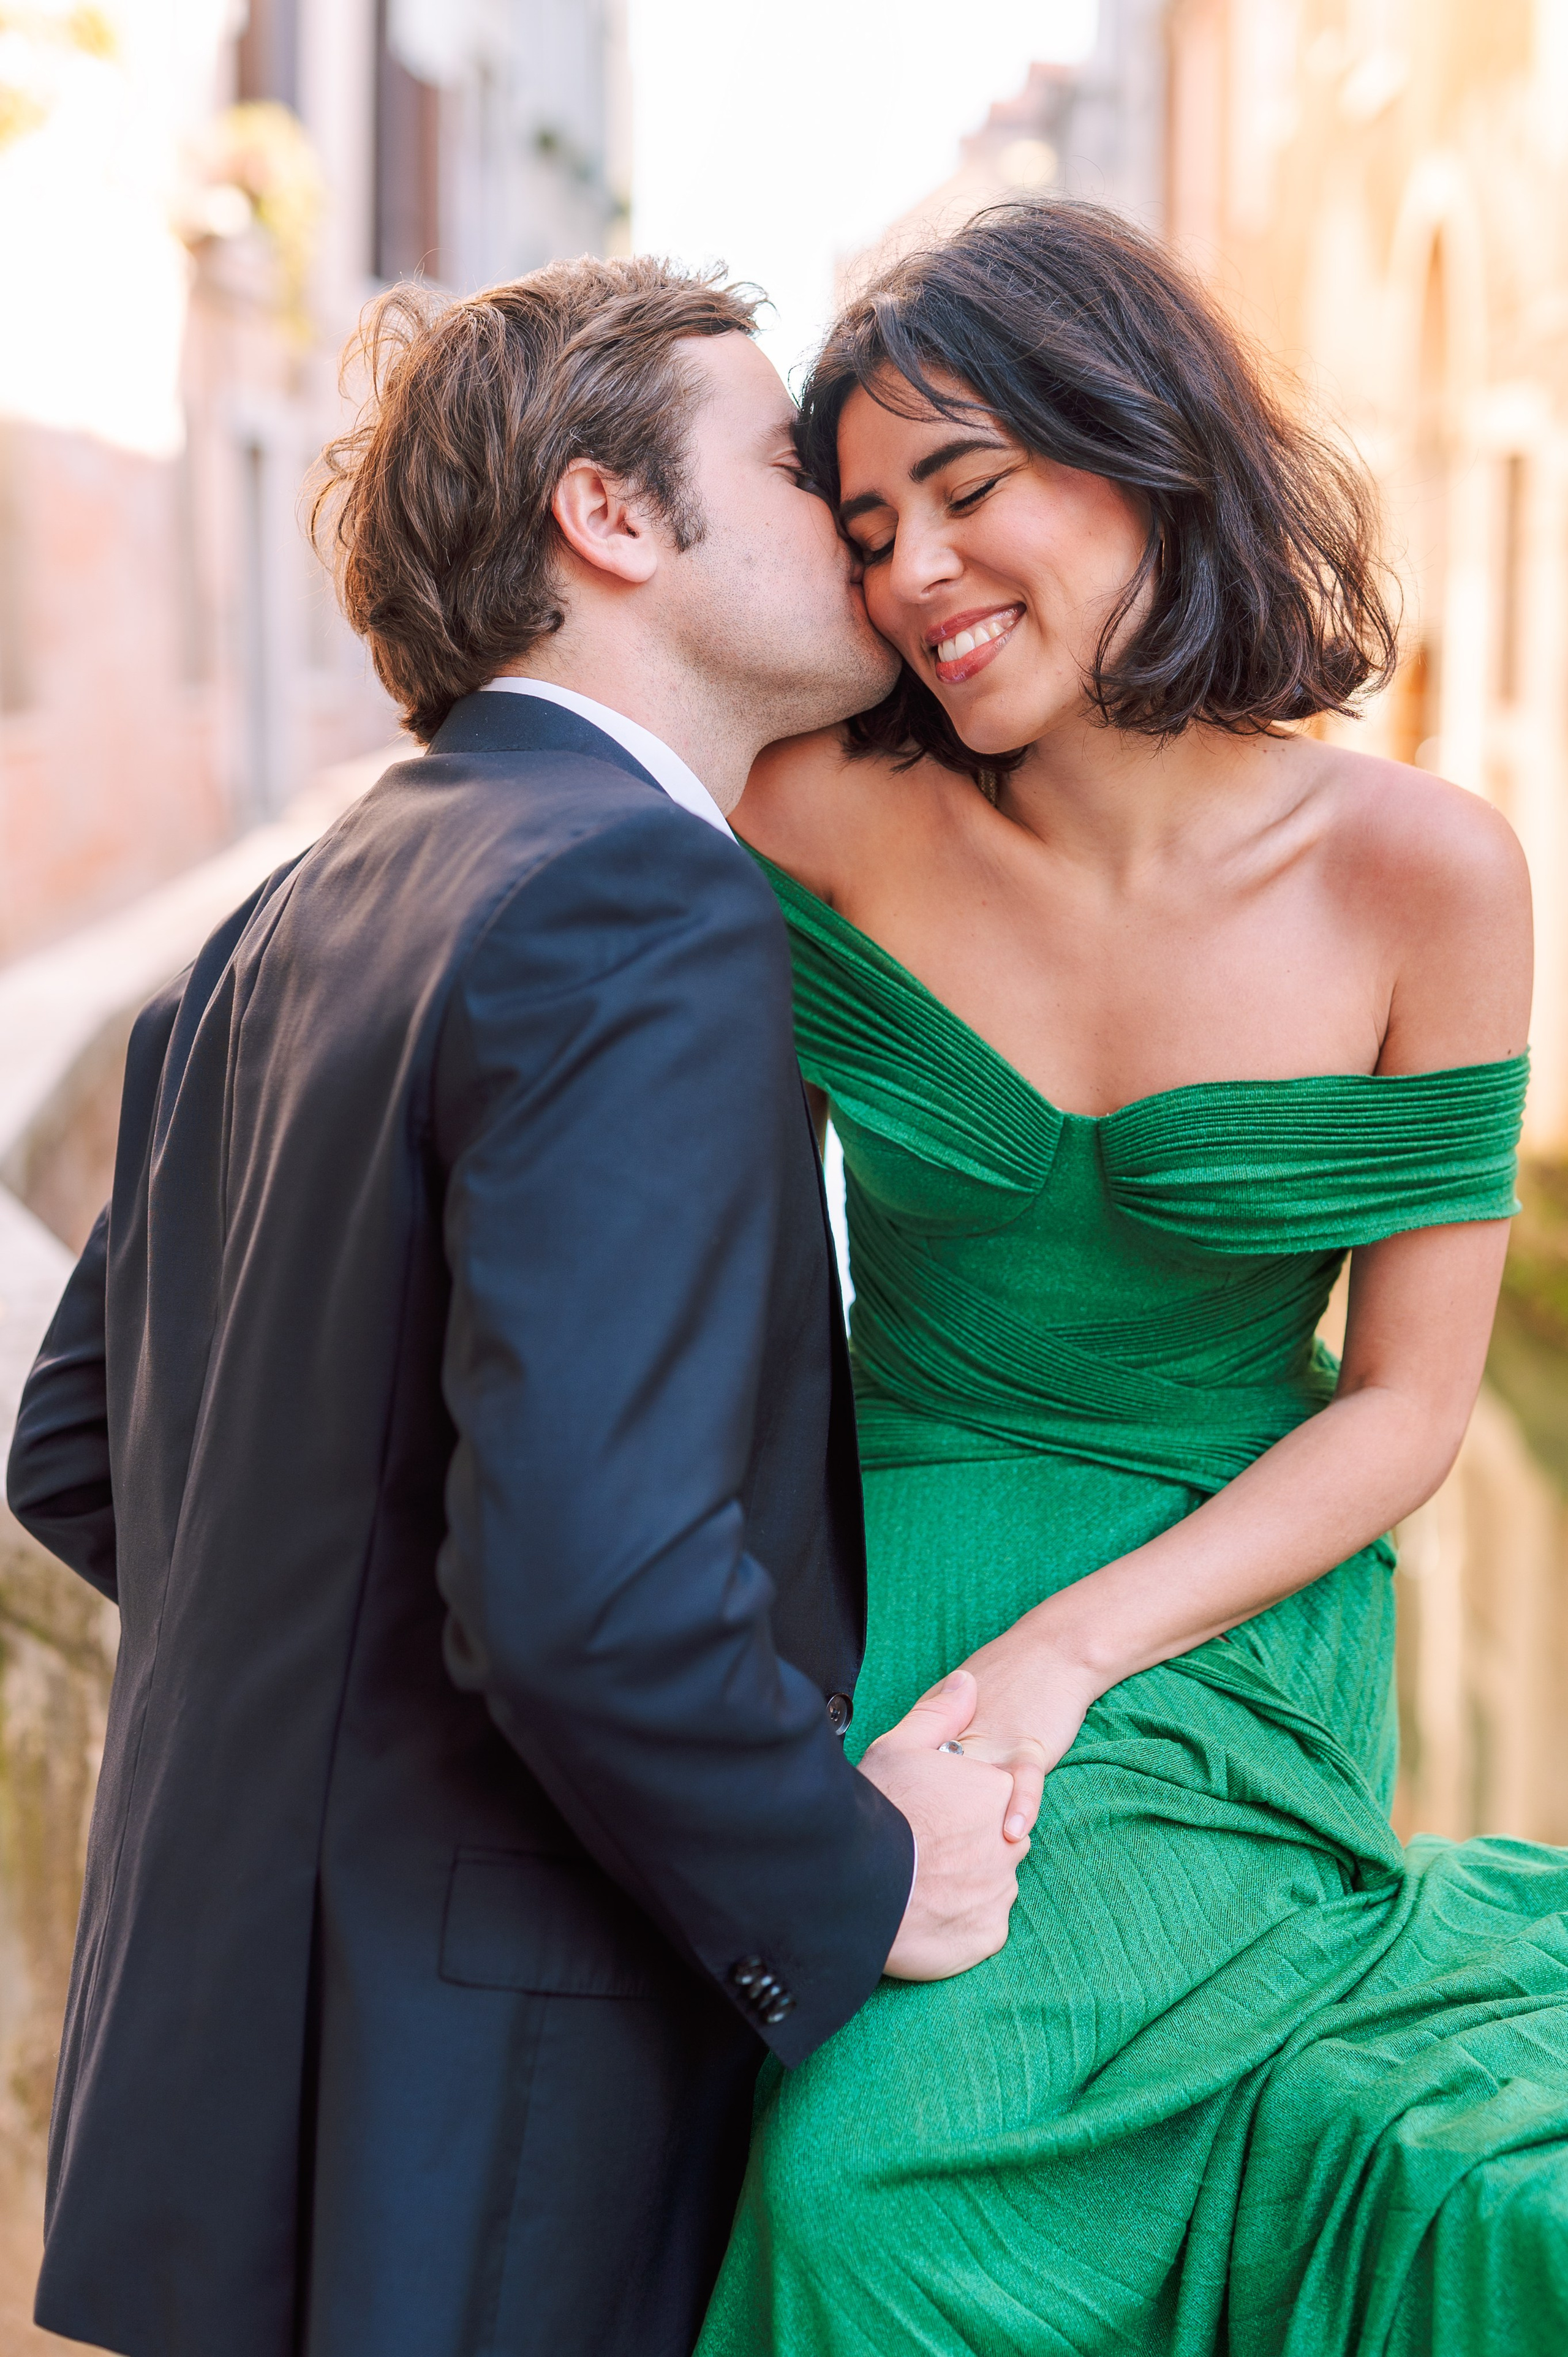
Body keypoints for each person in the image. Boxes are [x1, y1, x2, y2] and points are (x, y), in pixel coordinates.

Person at [4, 256, 1027, 2357]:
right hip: (491, 2090)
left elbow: (83, 1447)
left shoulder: (285, 913)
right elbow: (588, 1591)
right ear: (612, 519)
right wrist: (852, 1875)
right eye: (786, 466)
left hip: (227, 2064)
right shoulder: (646, 904)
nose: (850, 523)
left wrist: (365, 1737)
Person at [696, 201, 1568, 2355]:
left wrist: (1080, 1653)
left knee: (873, 2176)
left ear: (1147, 448)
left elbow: (1405, 1409)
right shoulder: (809, 814)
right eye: (874, 522)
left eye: (971, 488)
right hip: (874, 1559)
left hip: (1218, 1615)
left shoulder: (1423, 877)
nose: (915, 573)